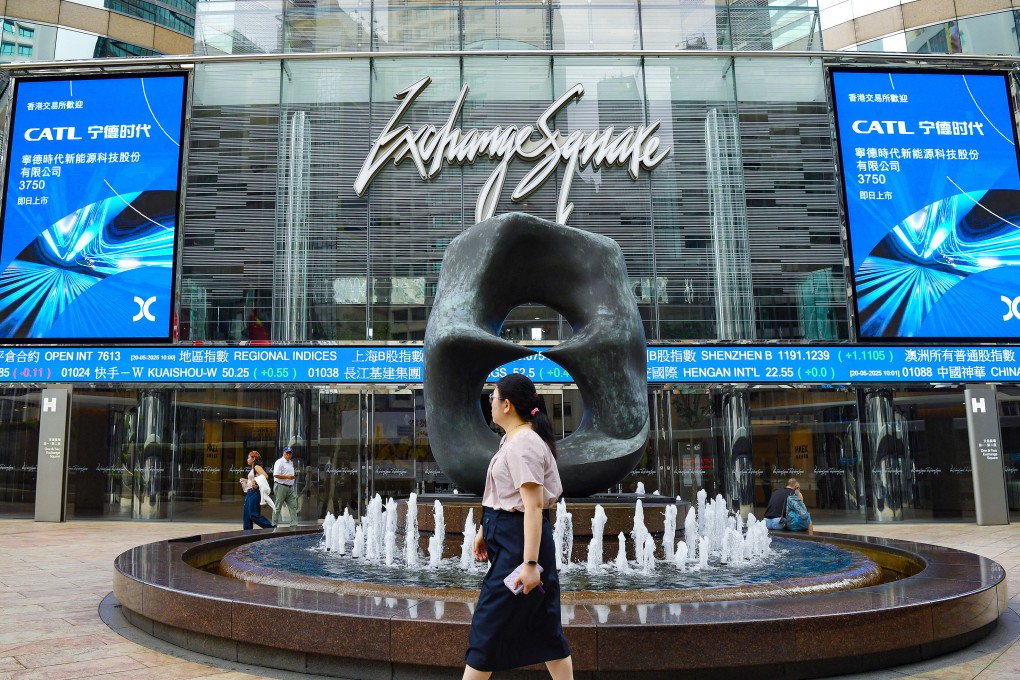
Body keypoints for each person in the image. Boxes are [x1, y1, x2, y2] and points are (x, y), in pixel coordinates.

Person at [463, 374, 573, 680]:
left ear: (507, 405)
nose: (490, 403)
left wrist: (530, 564)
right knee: (544, 628)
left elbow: (533, 506)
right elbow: (508, 495)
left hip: (519, 550)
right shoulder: (513, 439)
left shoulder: (524, 443)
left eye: (493, 398)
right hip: (514, 543)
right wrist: (485, 529)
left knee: (487, 625)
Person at [241, 450, 276, 530]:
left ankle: (271, 527)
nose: (247, 459)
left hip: (255, 492)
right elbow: (253, 479)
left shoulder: (257, 467)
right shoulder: (252, 468)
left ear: (253, 458)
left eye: (248, 457)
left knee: (253, 514)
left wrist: (254, 480)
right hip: (250, 492)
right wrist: (246, 480)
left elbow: (265, 476)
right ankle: (247, 533)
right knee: (246, 515)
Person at [273, 446, 299, 527]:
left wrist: (292, 477)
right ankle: (274, 524)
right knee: (278, 506)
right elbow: (276, 475)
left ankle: (294, 524)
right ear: (283, 453)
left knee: (293, 506)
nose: (288, 455)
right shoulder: (279, 462)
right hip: (281, 486)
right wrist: (287, 477)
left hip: (290, 487)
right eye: (287, 453)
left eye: (290, 453)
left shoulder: (291, 462)